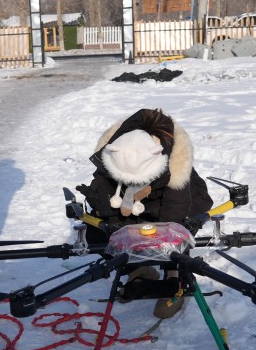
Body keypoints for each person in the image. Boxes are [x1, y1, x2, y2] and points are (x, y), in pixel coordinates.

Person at [75, 108, 213, 319]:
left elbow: (175, 215)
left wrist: (162, 241)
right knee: (98, 233)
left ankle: (174, 276)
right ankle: (136, 269)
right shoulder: (115, 146)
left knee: (173, 232)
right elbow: (102, 187)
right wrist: (114, 227)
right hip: (129, 198)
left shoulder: (176, 160)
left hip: (174, 196)